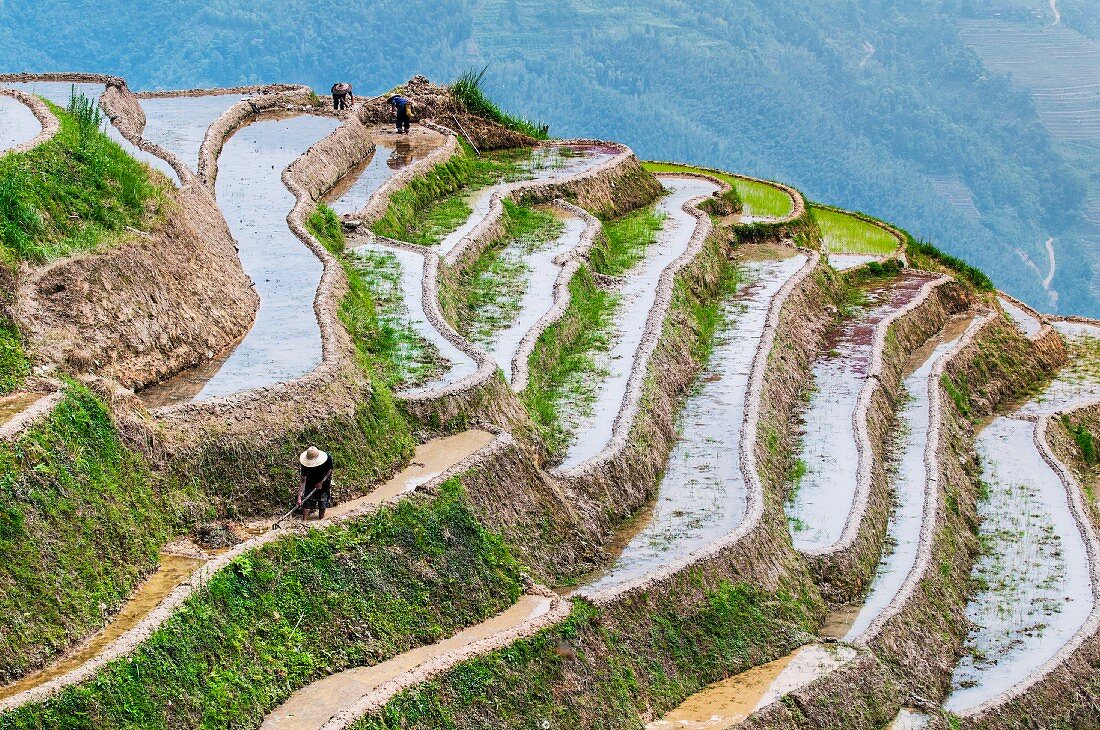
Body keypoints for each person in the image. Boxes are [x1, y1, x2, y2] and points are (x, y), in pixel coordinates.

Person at [298, 446, 334, 520]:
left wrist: (322, 482)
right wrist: (299, 496)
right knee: (307, 501)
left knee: (323, 500)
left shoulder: (327, 458)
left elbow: (329, 470)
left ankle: (321, 520)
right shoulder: (304, 464)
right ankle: (304, 521)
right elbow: (303, 480)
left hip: (324, 479)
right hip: (311, 479)